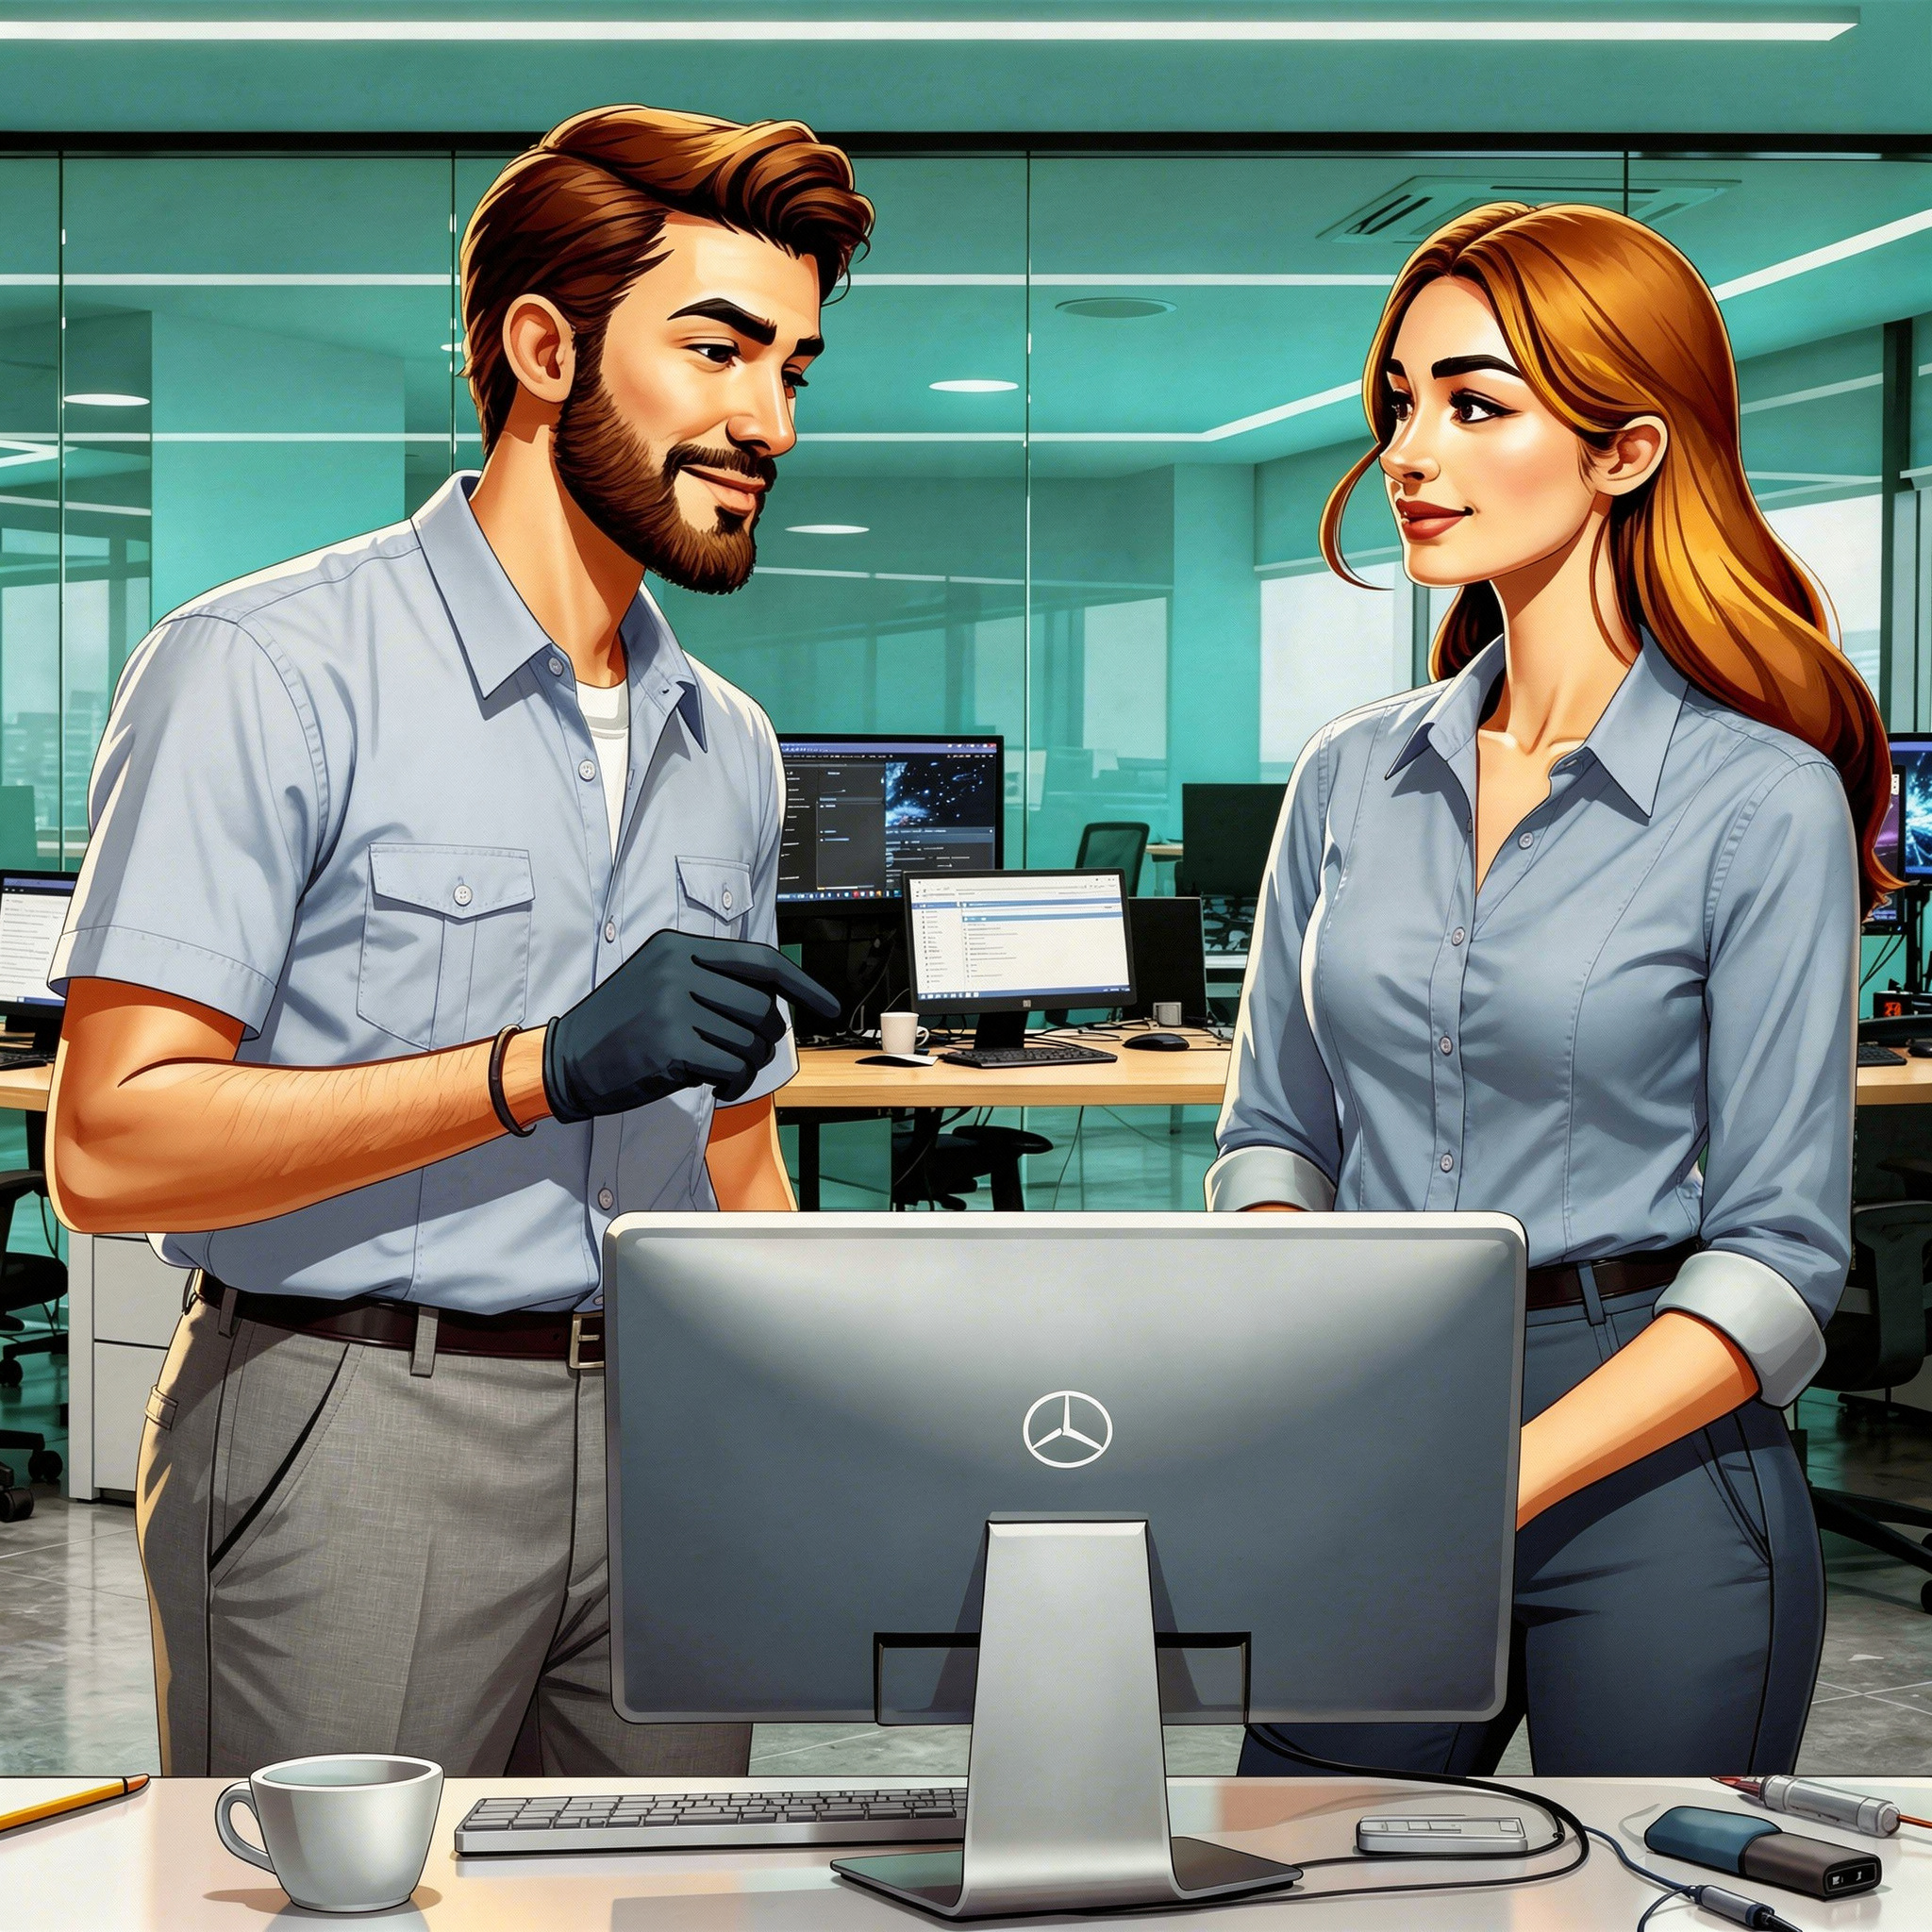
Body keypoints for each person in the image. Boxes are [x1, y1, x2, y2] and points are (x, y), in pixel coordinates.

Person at [47, 105, 871, 1779]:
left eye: (793, 367)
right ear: (545, 347)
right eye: (717, 349)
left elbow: (736, 1165)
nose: (764, 417)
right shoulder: (266, 670)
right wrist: (535, 1071)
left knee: (665, 1907)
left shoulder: (735, 746)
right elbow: (113, 1148)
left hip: (671, 1441)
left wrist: (830, 1417)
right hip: (357, 1421)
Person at [1216, 201, 1890, 1777]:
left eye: (1472, 403)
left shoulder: (1760, 801)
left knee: (1650, 1895)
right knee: (1294, 1881)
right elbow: (1272, 1139)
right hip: (1377, 1428)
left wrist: (1490, 1475)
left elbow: (1783, 1253)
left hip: (1649, 1447)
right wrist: (1324, 1358)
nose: (1408, 450)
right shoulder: (1347, 781)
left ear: (1629, 451)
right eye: (1398, 403)